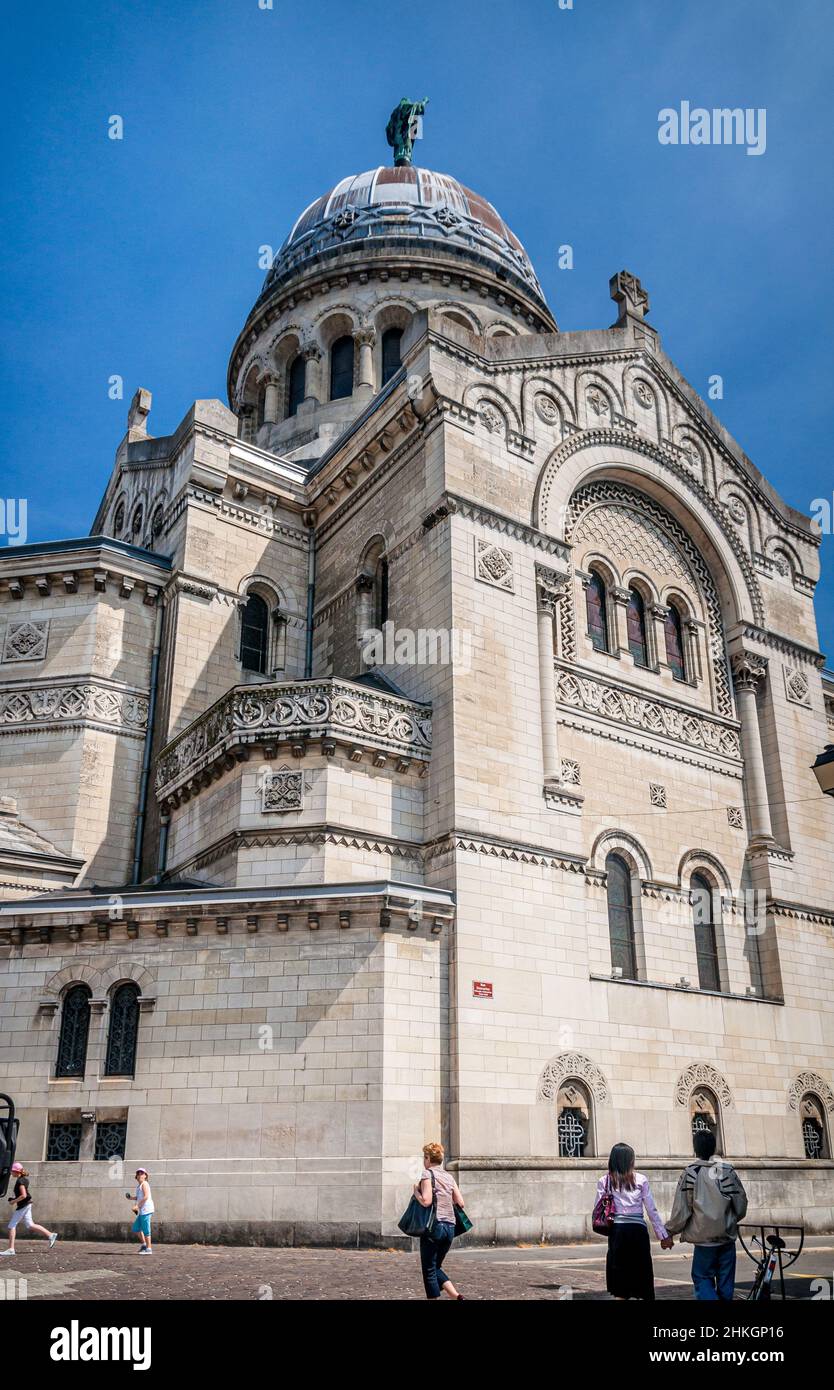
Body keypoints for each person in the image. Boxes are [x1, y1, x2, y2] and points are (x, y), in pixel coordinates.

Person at [666, 1129, 748, 1300]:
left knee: (702, 1278)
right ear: (713, 1148)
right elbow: (740, 1205)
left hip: (703, 1241)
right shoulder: (728, 1172)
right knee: (726, 1283)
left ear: (696, 1149)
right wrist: (730, 1220)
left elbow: (681, 1211)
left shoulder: (690, 1173)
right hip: (726, 1238)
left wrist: (669, 1232)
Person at [596, 1142, 672, 1300]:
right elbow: (651, 1210)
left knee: (620, 1281)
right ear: (630, 1160)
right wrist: (663, 1236)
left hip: (617, 1232)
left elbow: (598, 1207)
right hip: (638, 1232)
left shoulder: (605, 1181)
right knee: (641, 1275)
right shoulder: (641, 1179)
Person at [412, 1142, 465, 1300]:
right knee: (436, 1266)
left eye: (424, 1157)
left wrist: (416, 1192)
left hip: (435, 1226)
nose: (424, 1161)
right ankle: (456, 1296)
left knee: (429, 1269)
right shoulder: (449, 1176)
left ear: (428, 1158)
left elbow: (426, 1201)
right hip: (450, 1228)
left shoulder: (427, 1174)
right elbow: (461, 1202)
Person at [1, 1162, 58, 1256]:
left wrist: (13, 1201)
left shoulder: (20, 1181)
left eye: (12, 1171)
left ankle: (11, 1249)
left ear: (16, 1171)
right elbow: (23, 1194)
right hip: (27, 1204)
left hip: (23, 1205)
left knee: (12, 1225)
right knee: (30, 1225)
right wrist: (15, 1199)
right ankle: (51, 1235)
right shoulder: (23, 1179)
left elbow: (24, 1195)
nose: (11, 1173)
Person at [125, 1167, 155, 1254]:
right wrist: (131, 1198)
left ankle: (149, 1249)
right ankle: (144, 1245)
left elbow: (146, 1196)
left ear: (145, 1176)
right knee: (136, 1228)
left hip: (147, 1209)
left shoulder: (145, 1184)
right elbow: (139, 1197)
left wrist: (137, 1206)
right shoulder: (139, 1186)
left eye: (142, 1173)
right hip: (143, 1210)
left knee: (146, 1229)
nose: (139, 1175)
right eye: (138, 1173)